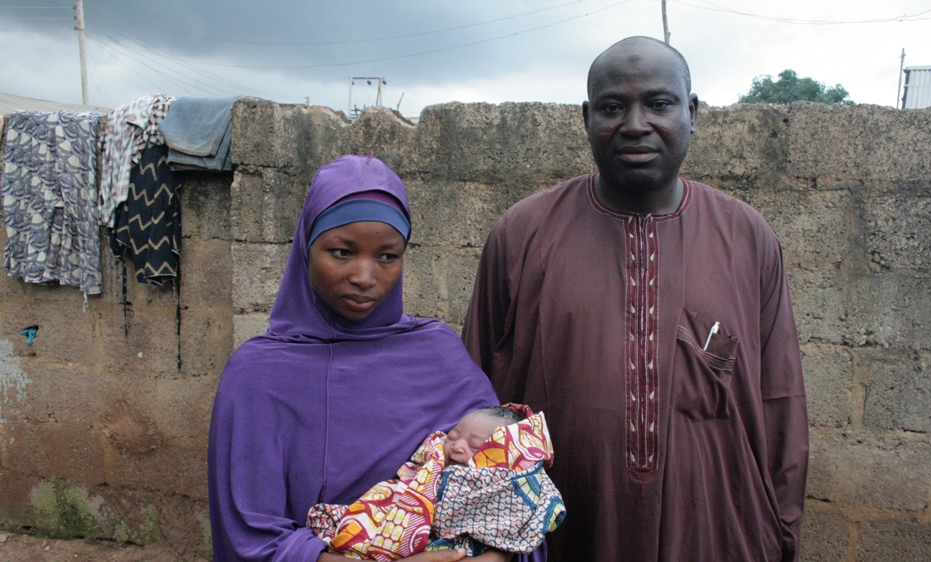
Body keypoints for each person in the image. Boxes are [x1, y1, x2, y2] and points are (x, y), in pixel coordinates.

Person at [462, 37, 808, 562]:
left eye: (659, 104)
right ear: (586, 118)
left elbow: (781, 400)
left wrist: (782, 533)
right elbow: (472, 385)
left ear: (691, 113)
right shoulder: (523, 233)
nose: (635, 123)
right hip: (554, 530)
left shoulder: (745, 237)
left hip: (716, 529)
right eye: (612, 106)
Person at [208, 155, 544, 562]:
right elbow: (249, 536)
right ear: (306, 249)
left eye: (387, 256)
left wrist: (494, 556)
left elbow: (512, 486)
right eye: (342, 252)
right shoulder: (258, 375)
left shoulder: (437, 355)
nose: (365, 277)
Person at [307, 405, 564, 561]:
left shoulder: (509, 483)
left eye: (474, 446)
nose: (457, 447)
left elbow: (535, 514)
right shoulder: (436, 461)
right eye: (453, 436)